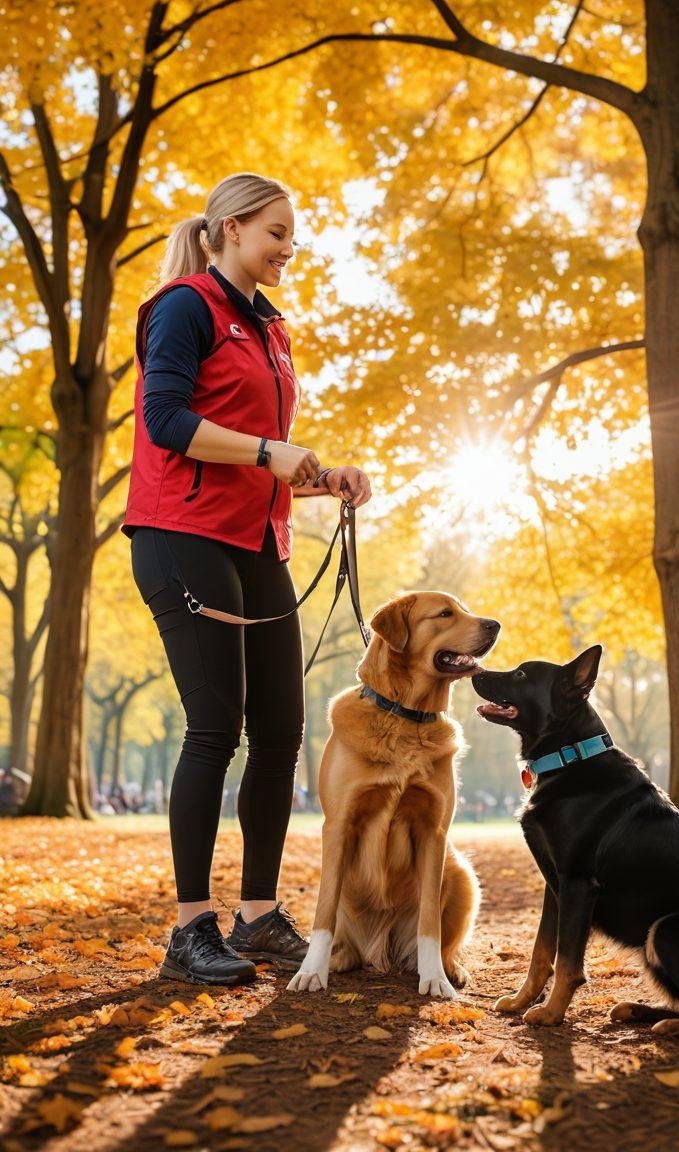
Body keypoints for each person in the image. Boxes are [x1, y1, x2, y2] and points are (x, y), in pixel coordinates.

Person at [123, 172, 372, 986]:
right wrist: (270, 452)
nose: (287, 248)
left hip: (257, 542)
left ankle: (257, 916)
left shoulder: (271, 329)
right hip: (180, 535)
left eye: (291, 234)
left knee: (280, 734)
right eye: (276, 232)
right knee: (213, 729)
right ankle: (190, 928)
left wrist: (320, 476)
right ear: (229, 228)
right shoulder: (186, 306)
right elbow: (166, 423)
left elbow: (254, 450)